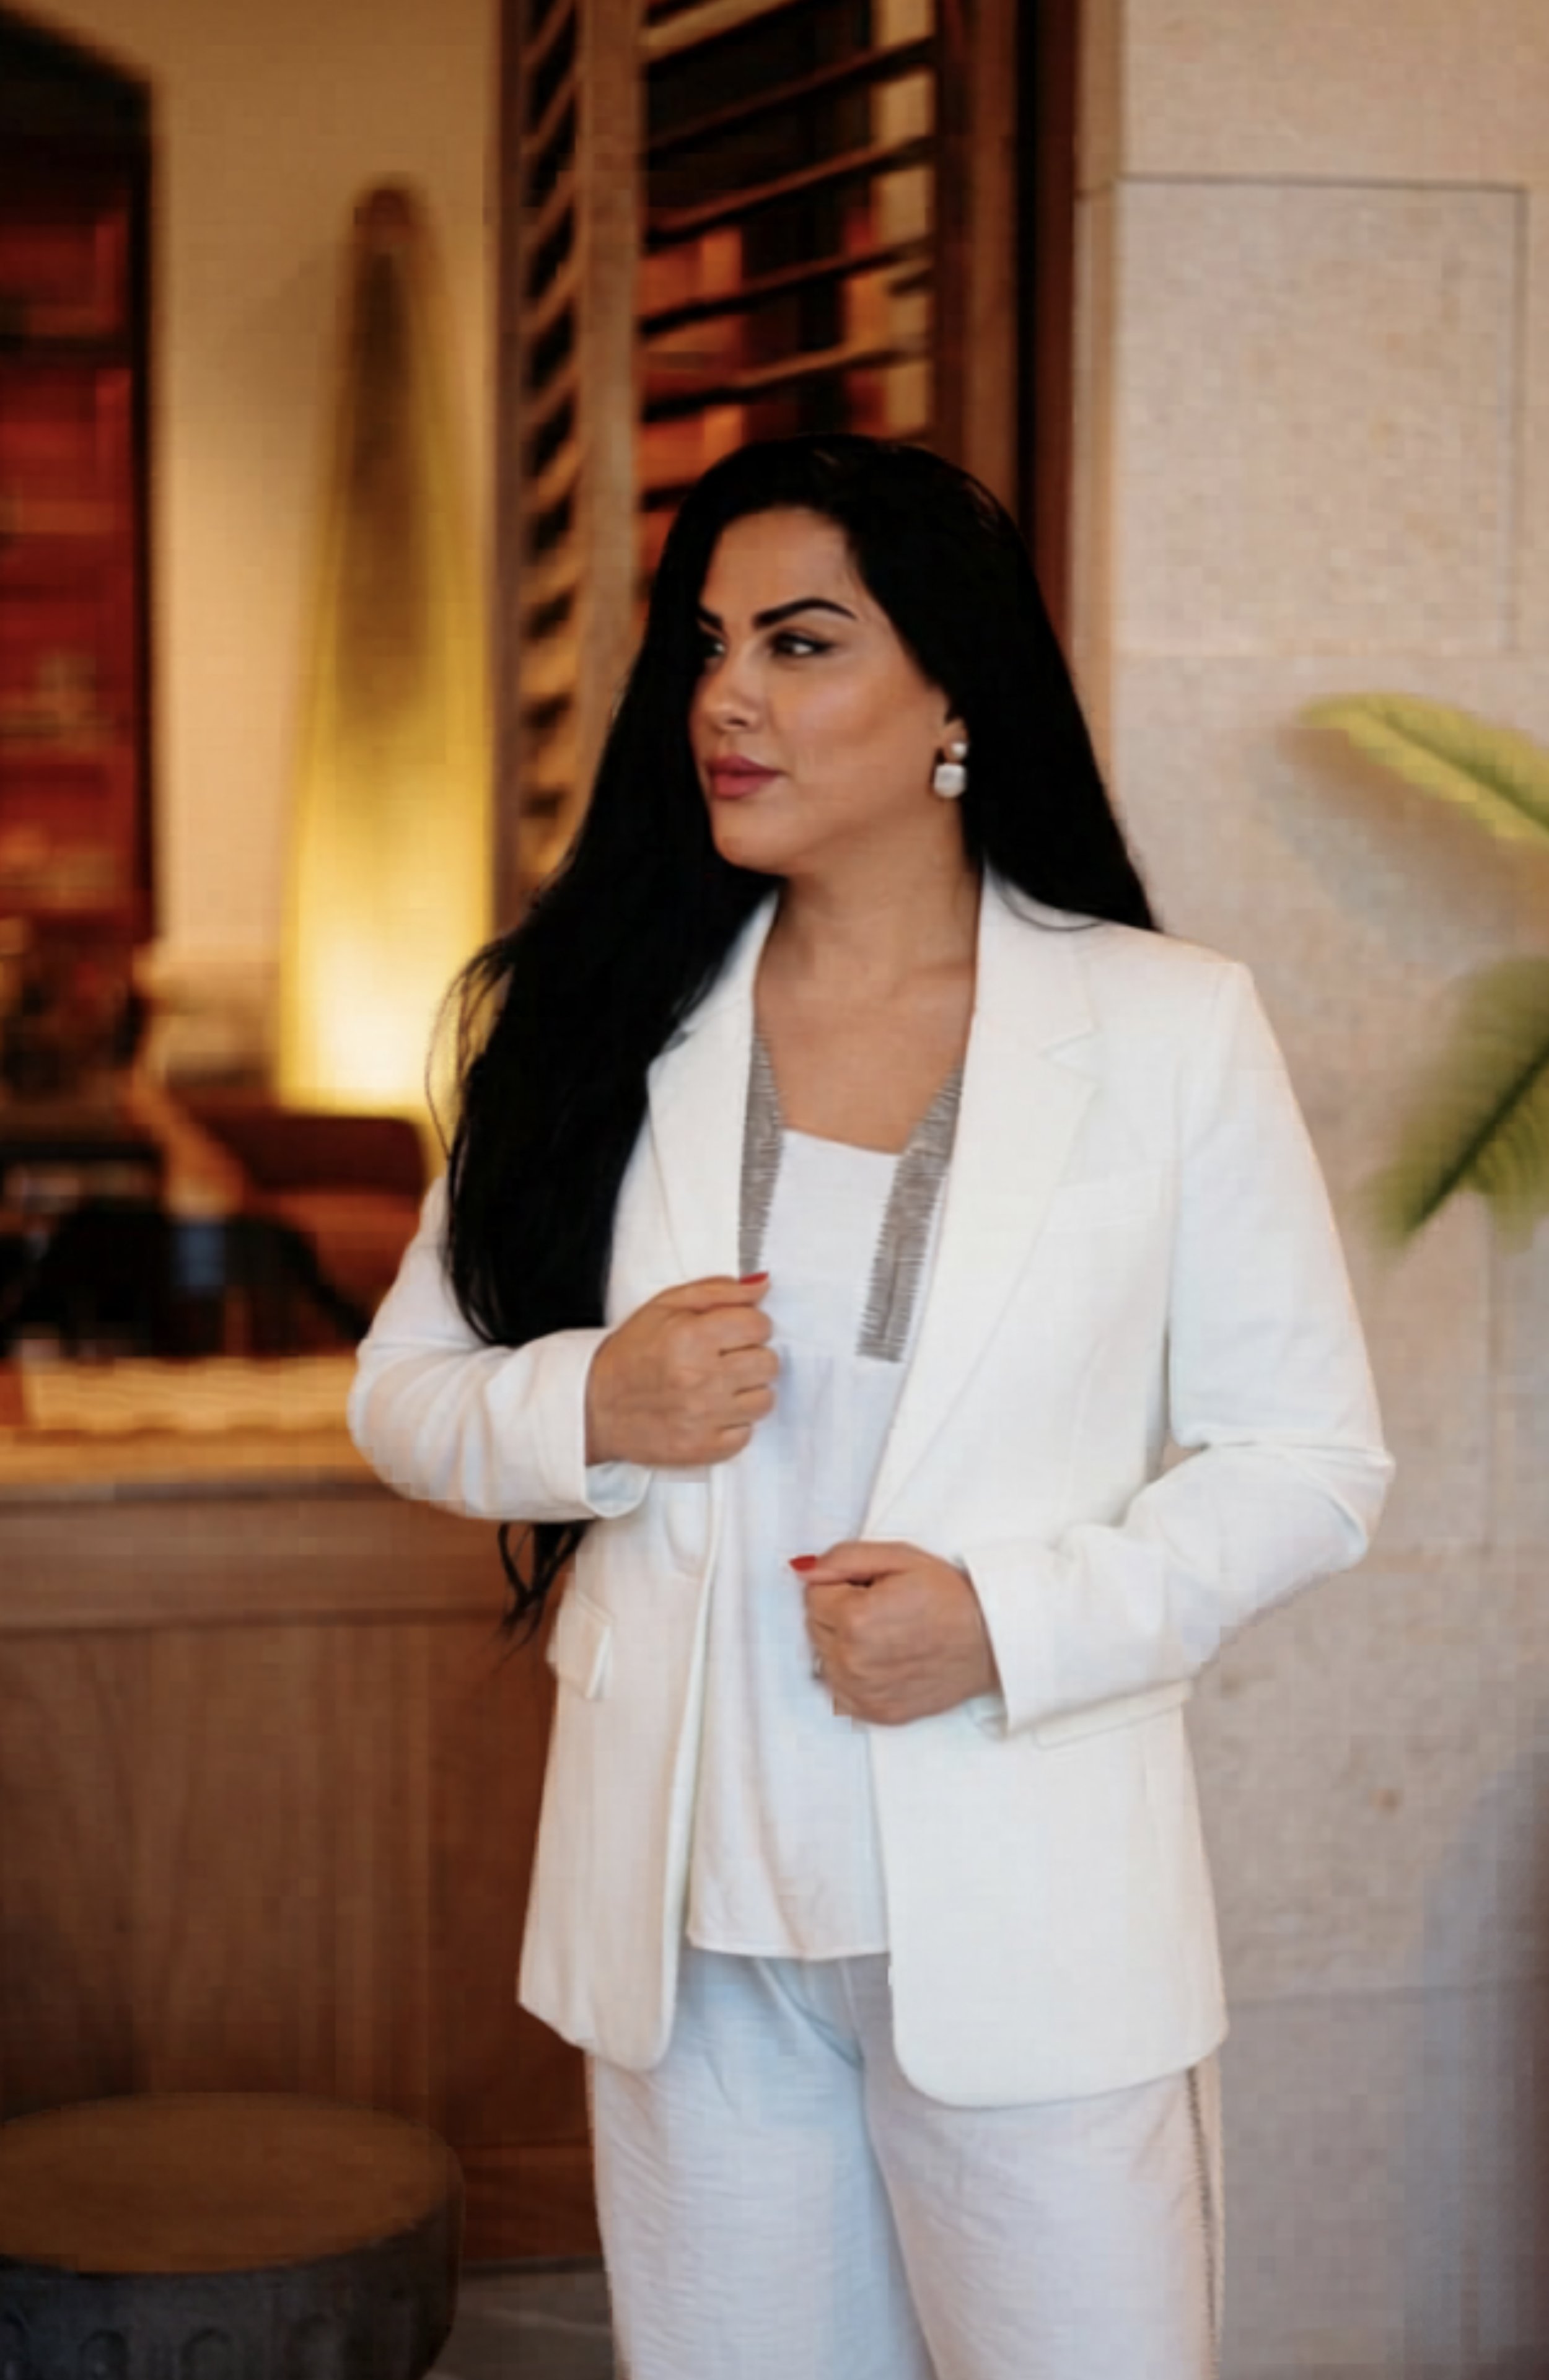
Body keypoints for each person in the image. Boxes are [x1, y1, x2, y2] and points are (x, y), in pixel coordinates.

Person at [348, 434, 1393, 2380]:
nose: (728, 695)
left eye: (801, 641)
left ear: (952, 699)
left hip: (1032, 1911)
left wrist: (1008, 1619)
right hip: (691, 1932)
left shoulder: (1167, 1026)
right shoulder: (588, 1016)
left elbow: (1310, 1461)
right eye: (709, 643)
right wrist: (597, 1398)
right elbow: (405, 1397)